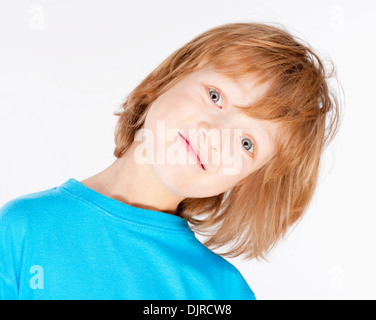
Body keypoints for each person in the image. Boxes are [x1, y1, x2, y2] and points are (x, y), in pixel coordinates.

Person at [0, 22, 342, 300]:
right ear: (164, 81)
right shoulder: (21, 229)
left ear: (244, 182)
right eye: (215, 96)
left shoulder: (222, 292)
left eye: (246, 142)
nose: (216, 134)